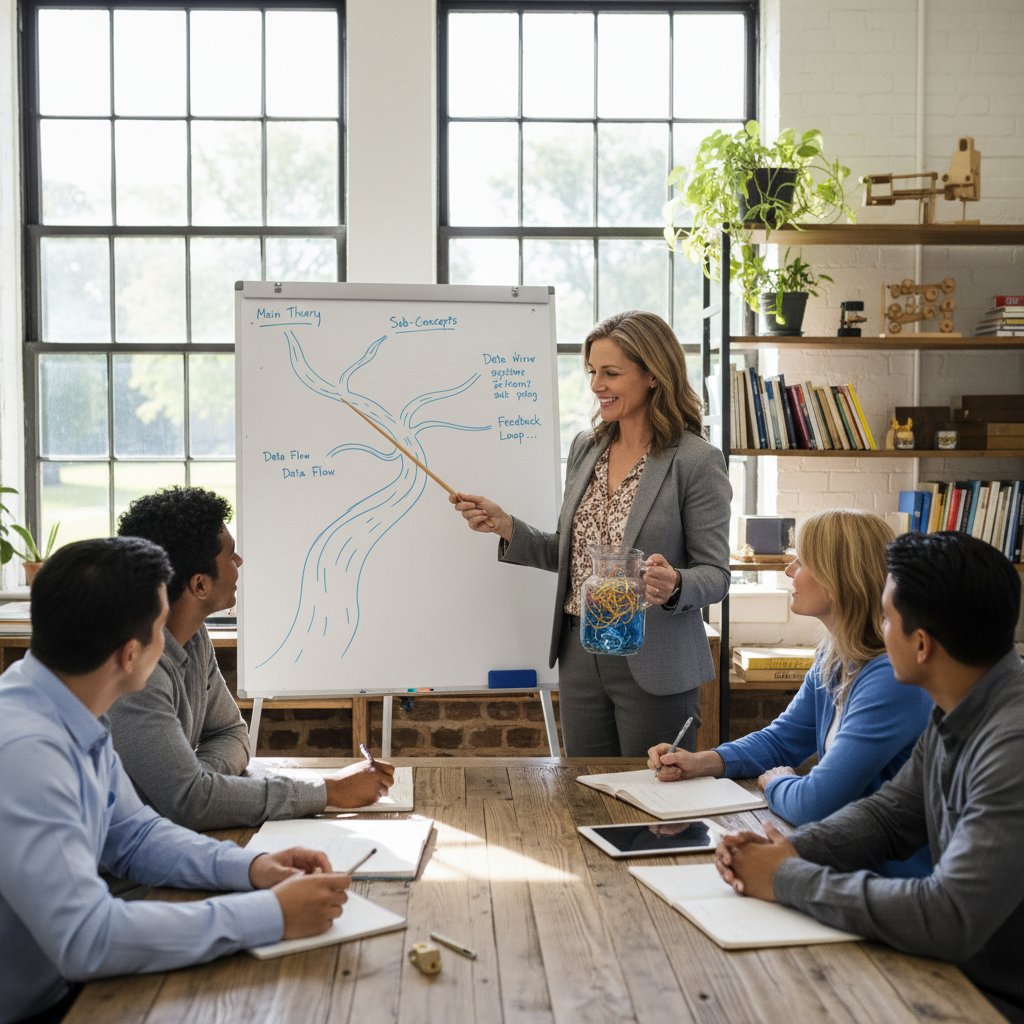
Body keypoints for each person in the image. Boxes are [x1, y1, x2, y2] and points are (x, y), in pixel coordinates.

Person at [0, 538, 353, 1024]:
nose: (170, 644)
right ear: (130, 655)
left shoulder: (67, 706)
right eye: (160, 631)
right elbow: (88, 939)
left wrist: (253, 867)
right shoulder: (25, 752)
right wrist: (270, 915)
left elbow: (134, 835)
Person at [714, 531, 1024, 1022]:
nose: (879, 630)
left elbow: (949, 916)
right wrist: (790, 850)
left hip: (988, 997)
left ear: (921, 644)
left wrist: (787, 876)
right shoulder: (961, 704)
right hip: (955, 971)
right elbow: (890, 816)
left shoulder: (1011, 747)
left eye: (886, 618)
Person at [451, 310, 731, 757]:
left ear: (653, 375)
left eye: (611, 373)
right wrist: (507, 526)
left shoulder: (696, 461)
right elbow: (572, 555)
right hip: (580, 654)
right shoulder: (587, 447)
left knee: (651, 791)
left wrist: (676, 583)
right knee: (583, 789)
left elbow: (716, 574)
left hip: (653, 661)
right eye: (592, 372)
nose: (597, 385)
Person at [648, 510, 933, 860]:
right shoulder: (834, 655)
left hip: (884, 872)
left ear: (838, 578)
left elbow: (815, 802)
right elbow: (782, 740)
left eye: (802, 562)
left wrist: (776, 782)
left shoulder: (890, 679)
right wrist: (700, 762)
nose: (788, 571)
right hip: (842, 852)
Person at [110, 486, 393, 831]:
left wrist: (203, 780)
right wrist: (329, 790)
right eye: (230, 556)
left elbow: (230, 732)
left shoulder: (194, 637)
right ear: (200, 585)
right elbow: (190, 803)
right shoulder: (135, 673)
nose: (239, 562)